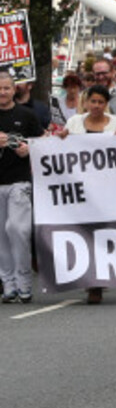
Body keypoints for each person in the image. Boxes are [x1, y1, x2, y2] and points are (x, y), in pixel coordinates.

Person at [59, 84, 116, 304]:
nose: (96, 106)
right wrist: (60, 139)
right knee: (84, 233)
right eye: (92, 101)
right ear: (86, 102)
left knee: (103, 234)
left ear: (106, 104)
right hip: (81, 189)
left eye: (100, 102)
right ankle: (92, 283)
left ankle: (100, 278)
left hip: (107, 189)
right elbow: (63, 150)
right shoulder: (74, 123)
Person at [0, 71, 42, 303]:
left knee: (17, 230)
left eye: (6, 88)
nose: (2, 93)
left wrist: (29, 148)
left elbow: (42, 142)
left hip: (19, 181)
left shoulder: (27, 115)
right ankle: (9, 285)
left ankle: (24, 282)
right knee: (1, 238)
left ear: (15, 89)